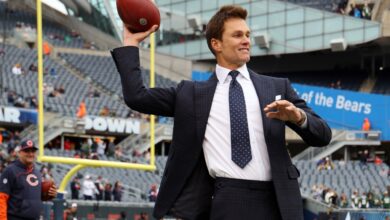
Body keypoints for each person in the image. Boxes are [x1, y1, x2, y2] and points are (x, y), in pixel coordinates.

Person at [111, 5, 331, 220]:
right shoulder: (191, 94)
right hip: (226, 197)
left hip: (277, 200)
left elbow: (323, 135)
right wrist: (131, 44)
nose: (247, 40)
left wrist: (298, 117)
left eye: (247, 34)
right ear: (216, 44)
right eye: (237, 35)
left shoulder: (276, 87)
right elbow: (136, 97)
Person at [0, 140, 57, 219]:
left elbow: (34, 198)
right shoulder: (10, 170)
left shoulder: (37, 172)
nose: (30, 154)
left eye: (33, 151)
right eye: (27, 151)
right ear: (19, 153)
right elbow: (1, 198)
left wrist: (49, 195)